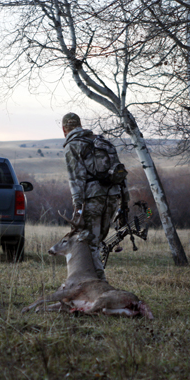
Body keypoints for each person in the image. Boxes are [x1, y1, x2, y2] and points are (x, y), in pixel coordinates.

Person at [62, 112, 129, 281]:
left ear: (64, 129)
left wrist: (77, 208)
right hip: (112, 197)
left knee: (89, 244)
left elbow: (76, 178)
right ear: (80, 125)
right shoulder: (103, 142)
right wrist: (125, 201)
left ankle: (98, 284)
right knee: (97, 243)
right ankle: (95, 282)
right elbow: (121, 173)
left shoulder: (73, 145)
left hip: (92, 200)